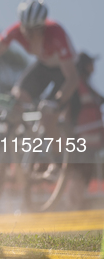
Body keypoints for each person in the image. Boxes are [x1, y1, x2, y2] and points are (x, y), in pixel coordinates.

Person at [0, 0, 80, 142]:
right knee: (15, 100)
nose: (30, 35)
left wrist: (56, 101)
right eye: (27, 29)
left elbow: (72, 78)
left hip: (64, 71)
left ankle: (56, 160)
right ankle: (17, 143)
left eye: (35, 30)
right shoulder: (16, 30)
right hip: (43, 65)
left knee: (48, 119)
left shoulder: (56, 33)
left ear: (43, 26)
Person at [63, 52, 104, 210]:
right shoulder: (76, 85)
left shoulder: (87, 86)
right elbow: (69, 112)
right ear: (85, 66)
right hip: (80, 140)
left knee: (85, 174)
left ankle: (75, 206)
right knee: (78, 174)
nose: (93, 67)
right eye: (90, 63)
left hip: (91, 141)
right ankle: (71, 207)